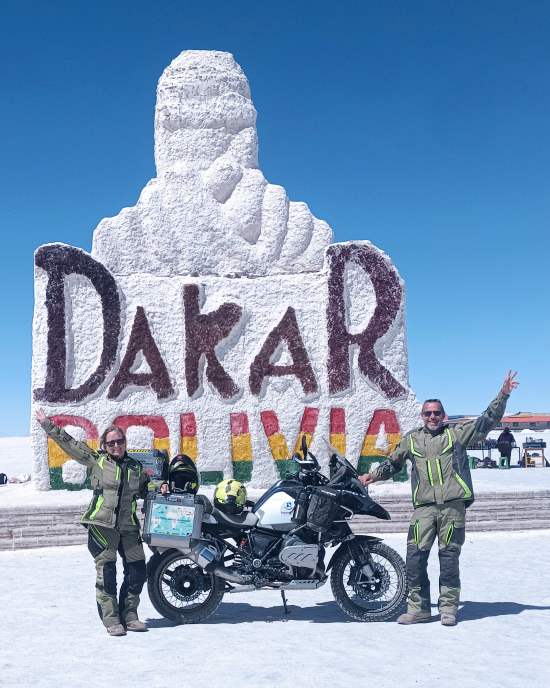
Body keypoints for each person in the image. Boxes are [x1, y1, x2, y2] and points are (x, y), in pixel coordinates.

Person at [359, 370, 519, 627]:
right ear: (422, 416)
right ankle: (419, 609)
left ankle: (448, 609)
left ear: (443, 415)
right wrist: (372, 476)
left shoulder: (456, 434)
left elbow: (486, 421)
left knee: (448, 559)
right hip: (424, 509)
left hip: (453, 509)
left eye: (437, 413)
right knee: (415, 558)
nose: (432, 417)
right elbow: (393, 464)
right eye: (428, 413)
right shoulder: (411, 439)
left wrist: (503, 394)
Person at [35, 408, 155, 636]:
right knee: (107, 574)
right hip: (102, 527)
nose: (116, 446)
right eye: (111, 444)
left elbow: (146, 488)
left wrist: (160, 487)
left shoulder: (136, 468)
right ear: (104, 446)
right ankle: (112, 619)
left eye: (120, 441)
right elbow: (69, 443)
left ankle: (130, 616)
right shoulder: (96, 461)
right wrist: (47, 424)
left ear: (125, 442)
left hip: (128, 528)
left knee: (138, 571)